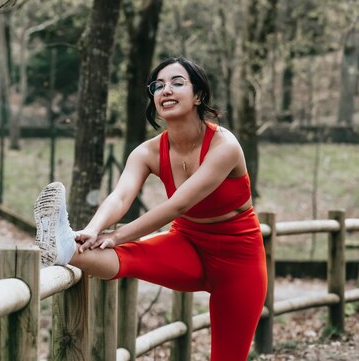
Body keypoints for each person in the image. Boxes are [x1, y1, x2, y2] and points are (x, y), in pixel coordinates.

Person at [34, 57, 267, 361]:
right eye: (158, 86)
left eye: (177, 83)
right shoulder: (147, 151)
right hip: (187, 242)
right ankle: (66, 248)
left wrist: (118, 234)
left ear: (198, 95)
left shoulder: (225, 145)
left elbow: (179, 204)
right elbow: (120, 196)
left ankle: (69, 245)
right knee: (129, 257)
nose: (165, 90)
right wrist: (92, 229)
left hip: (239, 259)